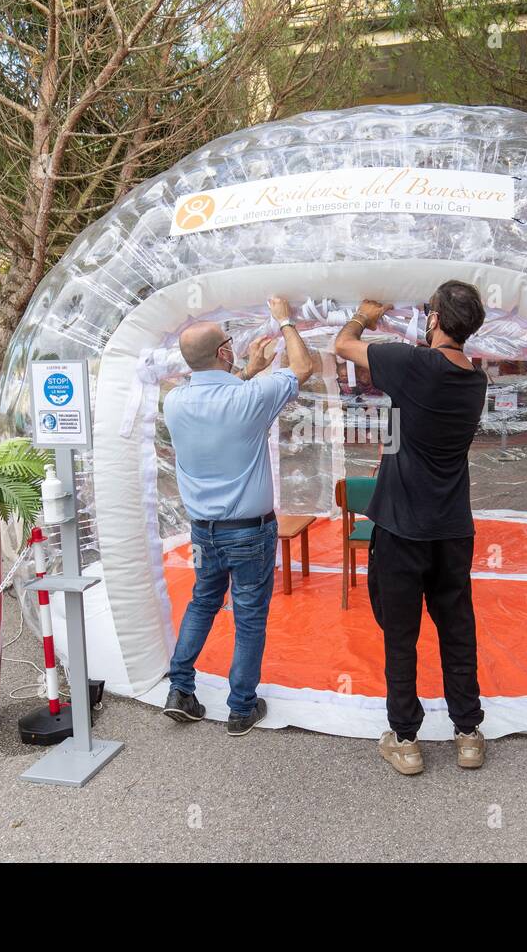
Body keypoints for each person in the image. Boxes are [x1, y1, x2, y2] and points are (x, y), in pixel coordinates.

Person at [333, 281, 489, 775]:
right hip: (452, 528)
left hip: (402, 529)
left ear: (436, 319)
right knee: (457, 629)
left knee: (401, 636)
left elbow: (343, 345)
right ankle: (467, 733)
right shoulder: (475, 380)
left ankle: (405, 739)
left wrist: (363, 315)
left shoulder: (413, 364)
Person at [161, 297, 314, 736]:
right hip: (249, 531)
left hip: (204, 531)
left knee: (203, 602)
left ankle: (181, 689)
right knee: (249, 617)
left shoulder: (176, 403)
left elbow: (221, 395)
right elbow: (302, 367)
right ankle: (241, 707)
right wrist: (285, 319)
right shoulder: (250, 399)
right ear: (225, 352)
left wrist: (248, 368)